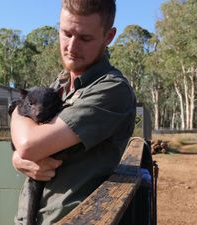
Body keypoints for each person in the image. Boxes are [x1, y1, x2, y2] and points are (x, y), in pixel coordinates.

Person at [10, 0, 136, 224]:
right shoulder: (61, 84)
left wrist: (16, 111)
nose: (72, 47)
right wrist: (18, 158)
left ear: (109, 37)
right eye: (66, 33)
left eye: (85, 38)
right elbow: (27, 143)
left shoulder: (112, 89)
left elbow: (29, 143)